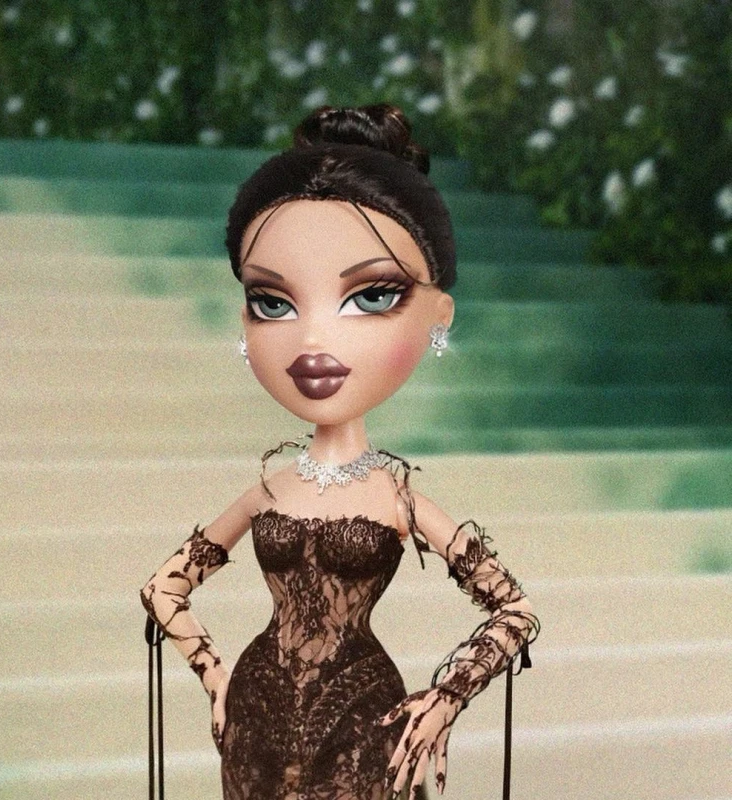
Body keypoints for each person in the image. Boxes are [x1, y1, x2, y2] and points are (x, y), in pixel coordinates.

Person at [140, 104, 539, 800]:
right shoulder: (271, 488)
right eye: (272, 302)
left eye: (372, 295)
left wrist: (445, 697)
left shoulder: (397, 496)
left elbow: (516, 611)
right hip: (256, 715)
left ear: (437, 315)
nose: (313, 340)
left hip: (363, 721)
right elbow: (162, 589)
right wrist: (217, 677)